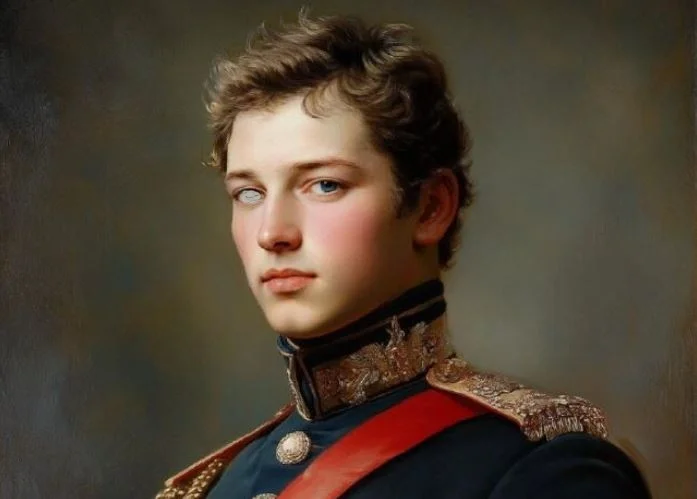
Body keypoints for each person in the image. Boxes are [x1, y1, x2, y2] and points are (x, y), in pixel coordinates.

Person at [155, 11, 652, 499]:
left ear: (431, 208)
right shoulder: (214, 487)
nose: (272, 233)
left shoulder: (540, 473)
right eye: (249, 193)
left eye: (324, 185)